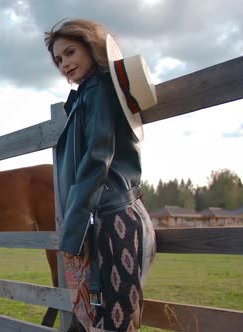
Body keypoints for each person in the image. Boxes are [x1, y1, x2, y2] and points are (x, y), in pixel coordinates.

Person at [45, 19, 157, 331]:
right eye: (59, 59)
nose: (65, 64)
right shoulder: (87, 94)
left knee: (111, 320)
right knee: (101, 318)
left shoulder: (99, 91)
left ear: (91, 48)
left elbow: (97, 159)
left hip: (112, 218)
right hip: (105, 216)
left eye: (70, 53)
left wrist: (73, 227)